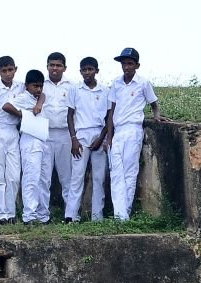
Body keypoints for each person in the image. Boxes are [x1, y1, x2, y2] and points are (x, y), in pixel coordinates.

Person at [106, 47, 164, 220]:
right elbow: (111, 112)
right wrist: (109, 137)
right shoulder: (116, 83)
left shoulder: (143, 83)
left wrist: (157, 117)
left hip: (133, 130)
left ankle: (124, 214)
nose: (126, 67)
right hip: (118, 131)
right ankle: (119, 214)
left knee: (129, 173)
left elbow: (154, 103)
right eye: (124, 64)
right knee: (116, 172)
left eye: (130, 63)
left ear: (136, 65)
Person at [67, 57, 109, 221]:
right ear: (80, 72)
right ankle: (71, 215)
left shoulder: (105, 91)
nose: (87, 73)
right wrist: (74, 139)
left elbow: (109, 117)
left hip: (99, 135)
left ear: (96, 71)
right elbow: (70, 116)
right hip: (81, 135)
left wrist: (102, 138)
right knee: (77, 175)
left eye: (90, 69)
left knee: (99, 177)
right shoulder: (75, 89)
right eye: (84, 70)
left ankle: (97, 216)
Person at [8, 70, 50, 224]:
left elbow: (43, 96)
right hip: (30, 140)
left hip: (43, 139)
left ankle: (42, 214)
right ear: (27, 86)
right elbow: (7, 106)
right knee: (31, 178)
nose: (38, 89)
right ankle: (29, 215)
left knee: (44, 179)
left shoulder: (39, 97)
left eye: (40, 86)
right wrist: (24, 116)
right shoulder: (24, 98)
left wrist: (39, 102)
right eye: (35, 86)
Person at [0, 56, 24, 224]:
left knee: (14, 176)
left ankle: (11, 211)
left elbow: (39, 93)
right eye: (4, 71)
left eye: (10, 70)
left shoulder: (21, 87)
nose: (8, 74)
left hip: (13, 131)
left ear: (15, 69)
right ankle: (1, 214)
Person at [43, 52, 74, 222]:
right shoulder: (41, 84)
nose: (55, 68)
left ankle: (70, 214)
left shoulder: (71, 86)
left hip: (64, 134)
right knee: (44, 176)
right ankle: (43, 215)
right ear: (47, 66)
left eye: (58, 65)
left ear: (64, 68)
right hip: (45, 134)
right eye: (52, 65)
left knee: (66, 176)